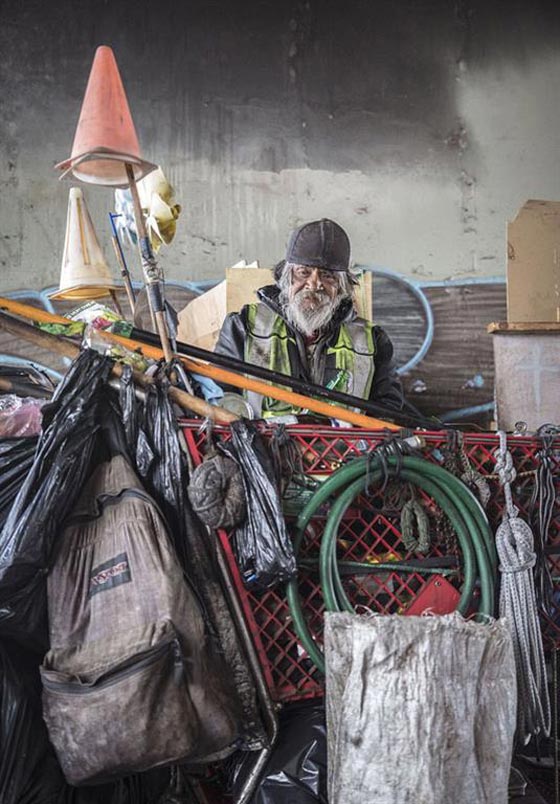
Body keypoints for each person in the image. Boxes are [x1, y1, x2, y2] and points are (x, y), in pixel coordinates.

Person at [215, 218, 404, 419]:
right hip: (263, 448)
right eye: (303, 272)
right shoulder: (244, 325)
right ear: (286, 278)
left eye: (327, 275)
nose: (314, 284)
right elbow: (219, 396)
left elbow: (387, 411)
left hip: (342, 449)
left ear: (342, 287)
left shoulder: (372, 340)